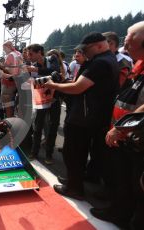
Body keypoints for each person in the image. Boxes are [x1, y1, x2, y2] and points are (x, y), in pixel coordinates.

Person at [44, 32, 119, 200]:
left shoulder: (100, 62)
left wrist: (53, 85)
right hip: (92, 115)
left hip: (83, 117)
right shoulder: (108, 59)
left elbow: (78, 87)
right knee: (80, 152)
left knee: (73, 153)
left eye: (86, 49)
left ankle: (74, 188)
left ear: (99, 45)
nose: (84, 52)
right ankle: (73, 180)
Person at [89, 21, 144, 230]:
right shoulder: (138, 66)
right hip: (128, 136)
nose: (125, 43)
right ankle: (119, 213)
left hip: (134, 136)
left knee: (133, 183)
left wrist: (121, 127)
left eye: (130, 38)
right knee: (123, 178)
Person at [25, 44, 61, 164]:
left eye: (31, 54)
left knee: (53, 127)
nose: (29, 57)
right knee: (38, 126)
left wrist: (36, 70)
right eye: (28, 54)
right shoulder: (32, 67)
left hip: (55, 99)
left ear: (40, 52)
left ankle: (49, 154)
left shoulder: (52, 59)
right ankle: (34, 152)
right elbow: (30, 83)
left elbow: (54, 71)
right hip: (41, 100)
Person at [0, 41, 22, 118]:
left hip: (8, 83)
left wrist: (2, 72)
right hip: (17, 82)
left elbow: (11, 72)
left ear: (7, 47)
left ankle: (9, 122)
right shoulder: (19, 54)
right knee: (13, 104)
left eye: (4, 48)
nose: (3, 50)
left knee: (8, 104)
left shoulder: (10, 55)